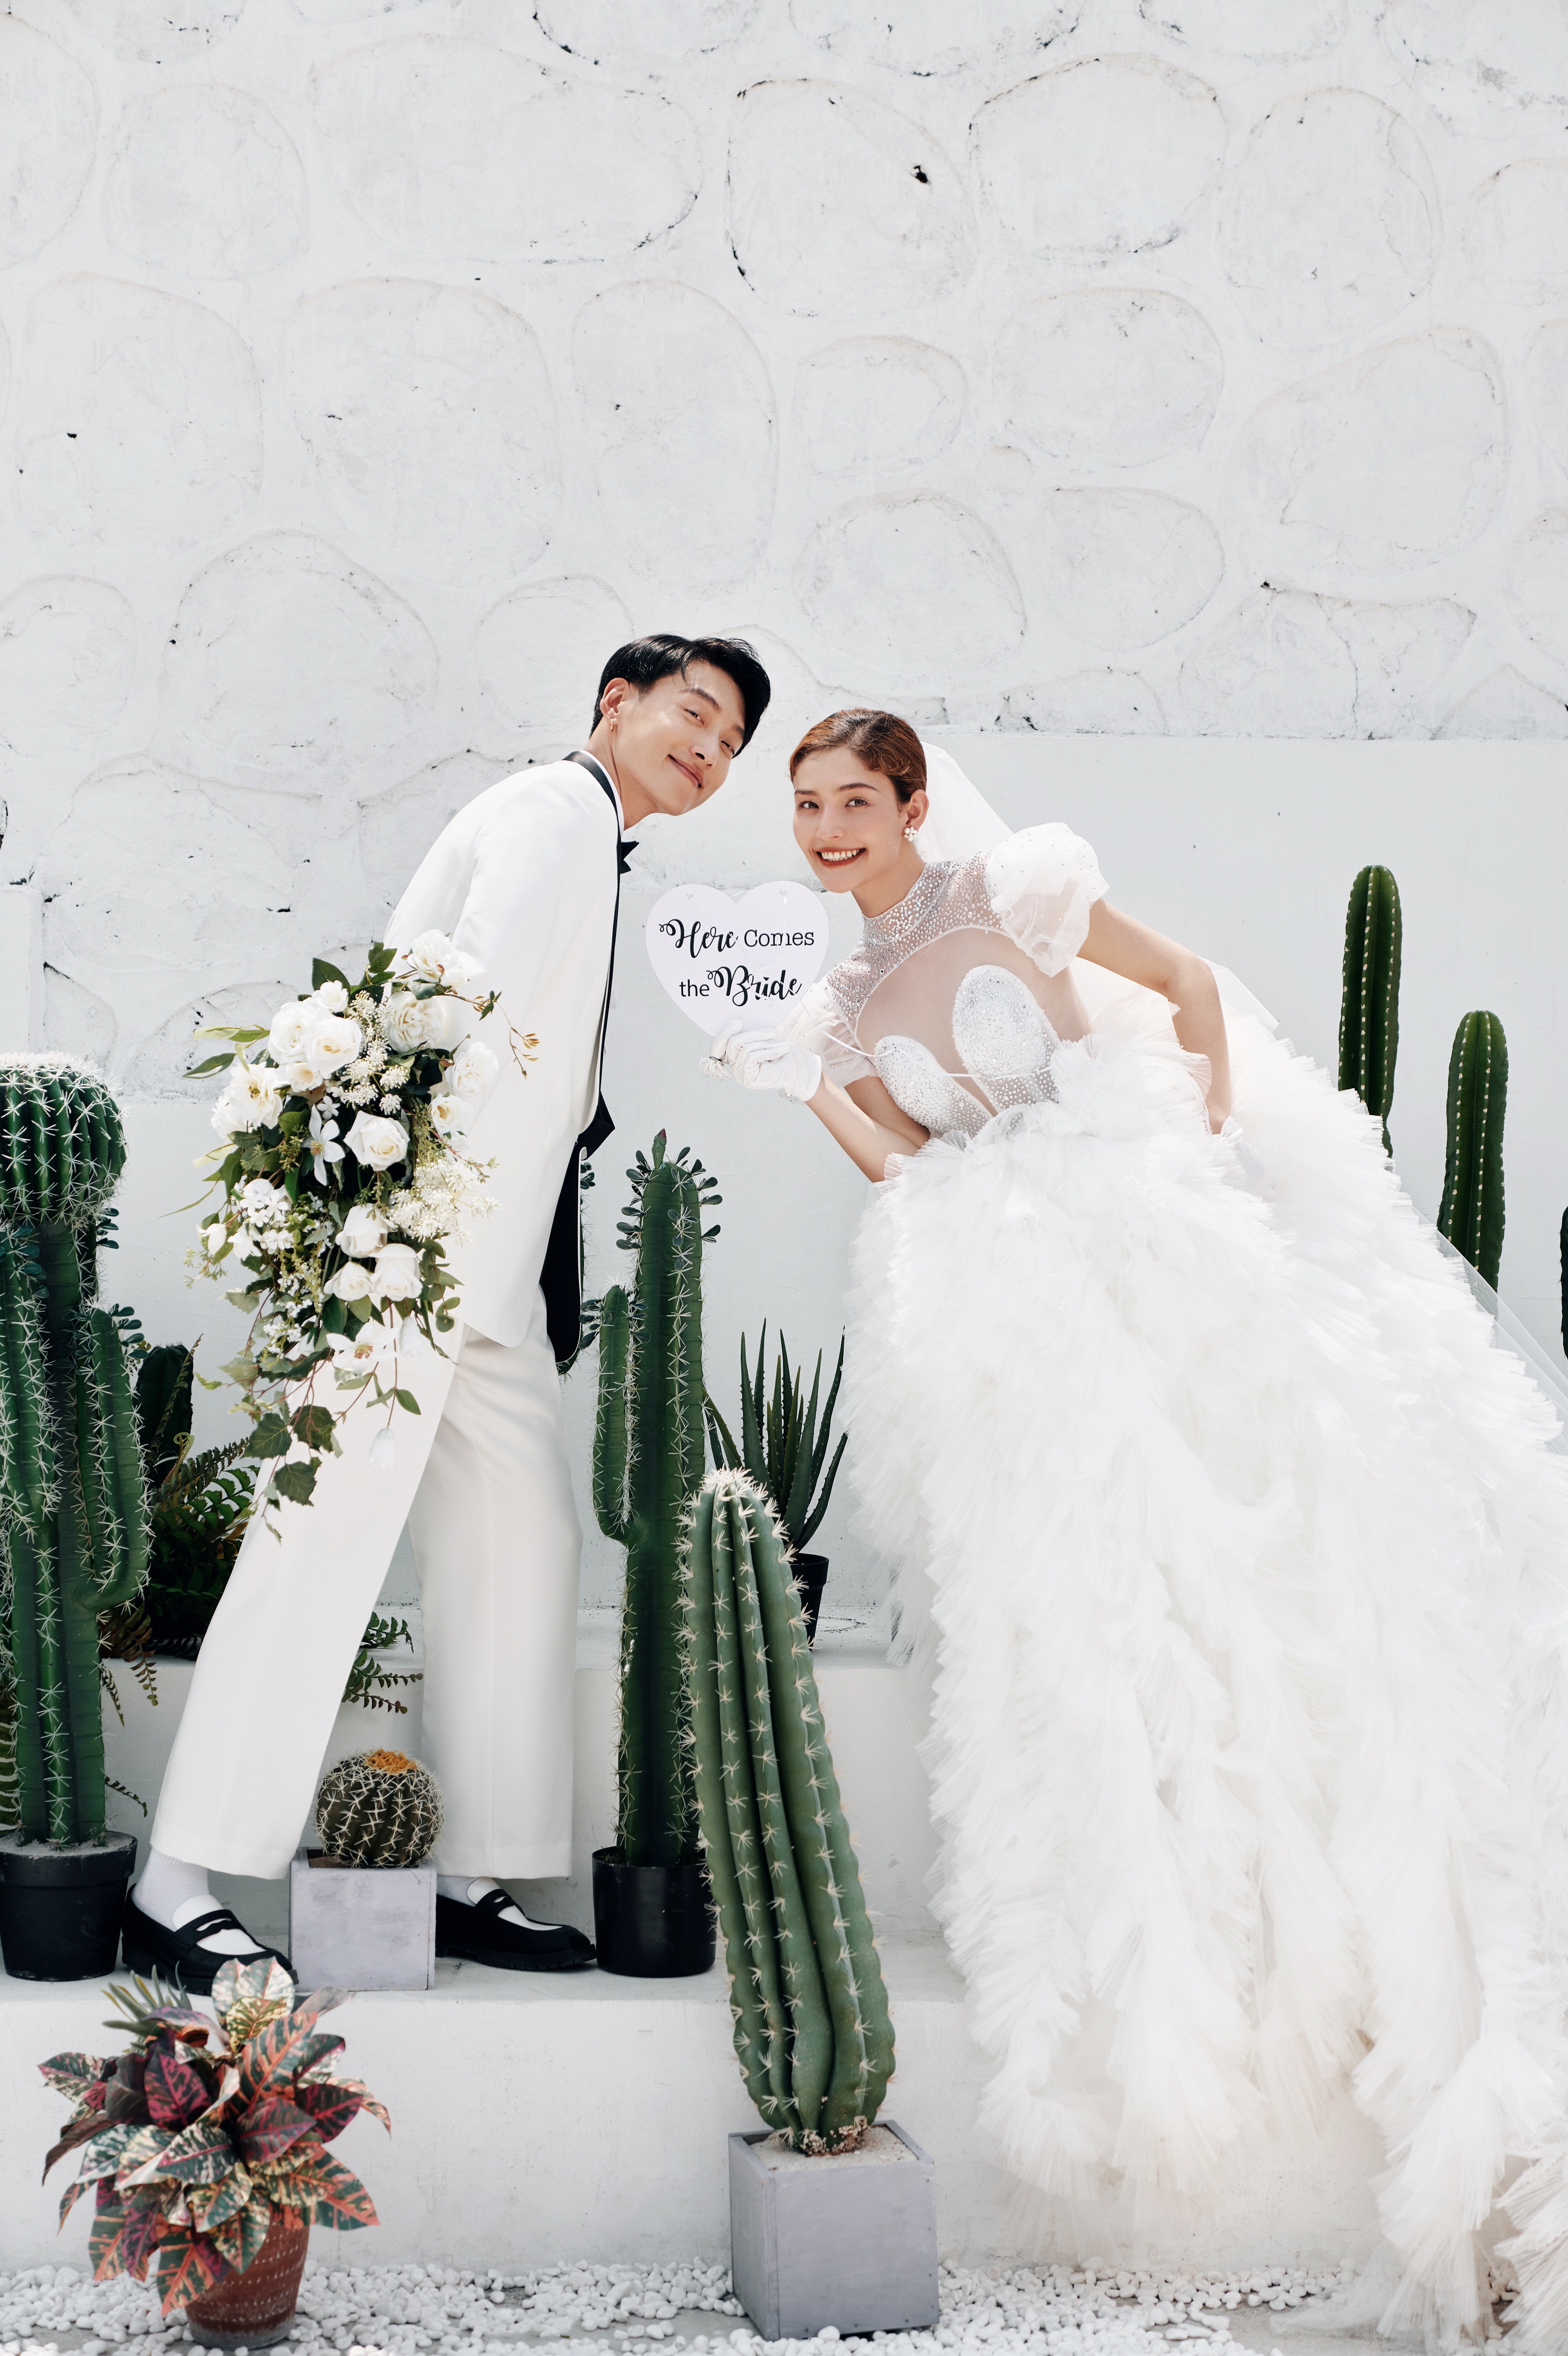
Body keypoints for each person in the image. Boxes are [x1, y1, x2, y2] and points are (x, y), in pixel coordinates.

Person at [706, 708, 1568, 2350]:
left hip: (1151, 1229)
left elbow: (1177, 989)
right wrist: (802, 1078)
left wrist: (1210, 1138)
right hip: (1030, 1305)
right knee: (1125, 1598)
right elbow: (904, 1167)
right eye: (804, 806)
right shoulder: (834, 994)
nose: (825, 829)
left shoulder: (1012, 892)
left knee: (1288, 1529)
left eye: (853, 799)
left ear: (914, 803)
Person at [128, 634, 771, 1990]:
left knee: (520, 1546)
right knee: (318, 1549)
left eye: (730, 744)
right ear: (616, 703)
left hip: (488, 1282)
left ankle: (471, 1871)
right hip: (414, 1262)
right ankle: (176, 1877)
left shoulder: (587, 834)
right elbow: (454, 1015)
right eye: (694, 715)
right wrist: (384, 1240)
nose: (709, 752)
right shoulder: (551, 815)